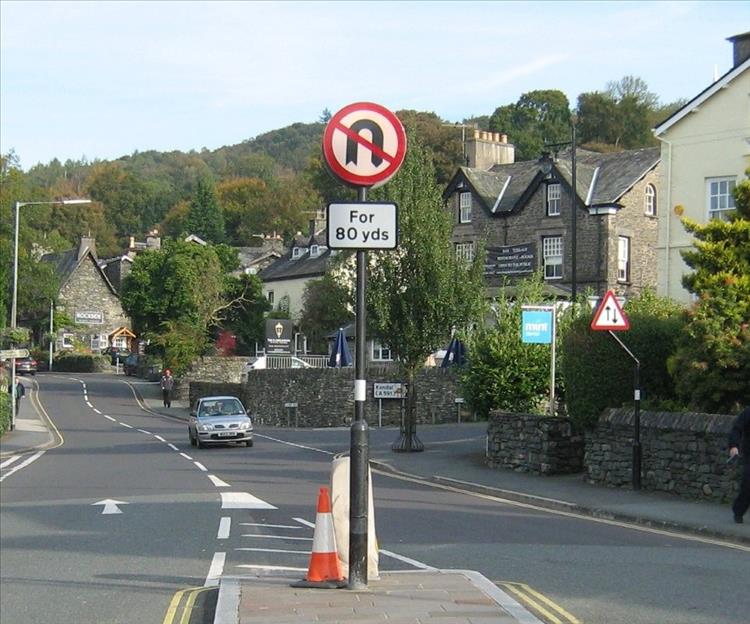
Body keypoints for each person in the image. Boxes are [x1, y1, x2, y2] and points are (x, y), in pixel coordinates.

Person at [728, 406, 750, 524]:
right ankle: (738, 511)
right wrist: (734, 445)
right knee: (747, 485)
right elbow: (737, 429)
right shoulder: (748, 412)